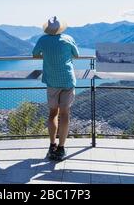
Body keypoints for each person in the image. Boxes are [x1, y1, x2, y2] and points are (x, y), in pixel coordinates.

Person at [32, 16, 79, 161]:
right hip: (67, 80)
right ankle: (61, 148)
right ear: (61, 28)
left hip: (52, 81)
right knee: (65, 114)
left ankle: (52, 145)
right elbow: (76, 55)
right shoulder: (68, 38)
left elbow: (35, 55)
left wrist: (47, 56)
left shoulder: (43, 40)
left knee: (53, 113)